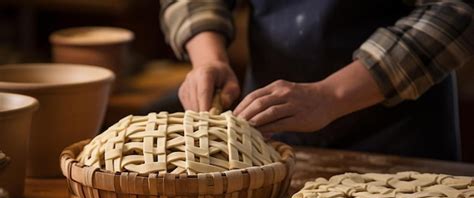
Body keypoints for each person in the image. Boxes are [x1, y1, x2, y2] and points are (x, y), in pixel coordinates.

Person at [160, 0, 474, 161]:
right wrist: (209, 58)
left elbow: (455, 11)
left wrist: (331, 95)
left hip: (398, 136)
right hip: (268, 133)